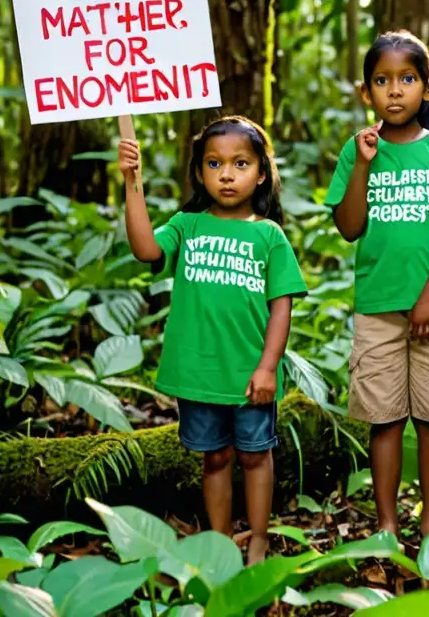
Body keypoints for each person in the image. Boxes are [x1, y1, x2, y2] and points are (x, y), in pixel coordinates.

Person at [119, 115, 308, 566]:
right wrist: (132, 183)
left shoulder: (269, 235)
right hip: (200, 373)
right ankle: (220, 543)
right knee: (216, 458)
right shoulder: (188, 225)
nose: (227, 174)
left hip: (250, 377)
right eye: (215, 163)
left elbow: (282, 306)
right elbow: (146, 250)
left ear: (261, 173)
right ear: (200, 172)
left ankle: (258, 540)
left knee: (255, 458)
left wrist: (268, 366)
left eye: (240, 163)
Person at [327, 31, 429, 537]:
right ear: (365, 92)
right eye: (382, 81)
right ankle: (388, 525)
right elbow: (349, 227)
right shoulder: (358, 151)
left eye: (407, 80)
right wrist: (364, 166)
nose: (395, 91)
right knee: (385, 420)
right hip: (378, 307)